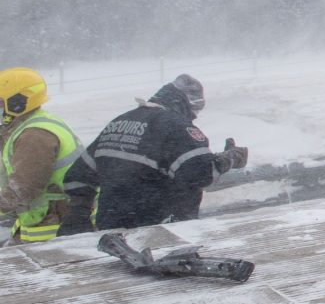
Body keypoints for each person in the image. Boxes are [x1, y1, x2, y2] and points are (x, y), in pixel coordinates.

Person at [87, 74, 249, 230]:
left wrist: (78, 215)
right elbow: (200, 173)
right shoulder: (175, 126)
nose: (193, 117)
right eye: (194, 111)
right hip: (159, 228)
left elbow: (78, 174)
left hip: (110, 225)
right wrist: (229, 159)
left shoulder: (119, 121)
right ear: (182, 103)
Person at [0, 67, 85, 244]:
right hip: (39, 221)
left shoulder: (35, 136)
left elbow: (22, 189)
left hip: (54, 229)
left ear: (17, 103)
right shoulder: (27, 126)